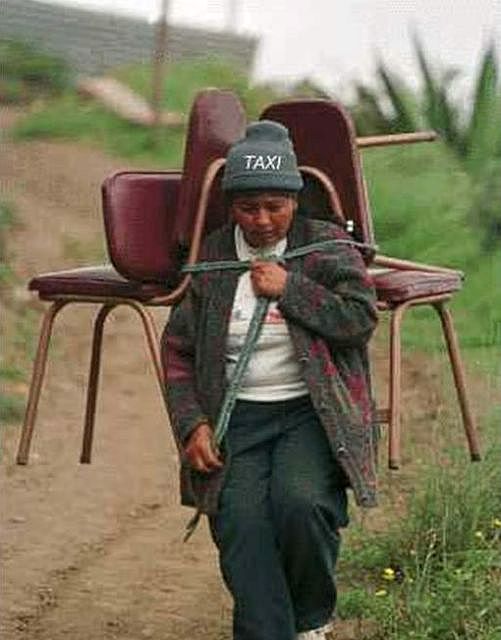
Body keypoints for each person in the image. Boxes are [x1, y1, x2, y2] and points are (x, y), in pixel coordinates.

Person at [161, 120, 379, 640]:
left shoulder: (326, 247)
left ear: (295, 201)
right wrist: (192, 425)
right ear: (231, 207)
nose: (261, 220)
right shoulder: (213, 257)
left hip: (309, 414)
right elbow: (178, 351)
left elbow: (359, 319)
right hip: (238, 417)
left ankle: (310, 621)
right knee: (240, 521)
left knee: (300, 503)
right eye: (247, 207)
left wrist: (291, 288)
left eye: (275, 207)